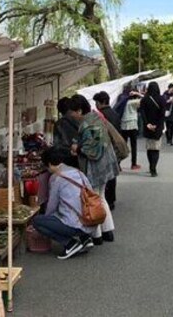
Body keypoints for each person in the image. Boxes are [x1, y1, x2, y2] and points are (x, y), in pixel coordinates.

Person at [69, 95, 117, 243]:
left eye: (72, 111)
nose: (71, 114)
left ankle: (96, 235)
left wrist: (77, 149)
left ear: (79, 110)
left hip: (96, 167)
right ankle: (107, 231)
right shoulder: (96, 117)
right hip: (106, 163)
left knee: (92, 200)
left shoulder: (86, 124)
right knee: (101, 197)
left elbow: (91, 149)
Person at [31, 148, 95, 260]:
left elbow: (51, 207)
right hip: (91, 220)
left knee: (38, 221)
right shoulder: (79, 173)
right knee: (70, 210)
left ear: (50, 164)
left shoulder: (57, 179)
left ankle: (70, 243)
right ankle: (85, 238)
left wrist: (47, 221)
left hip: (76, 225)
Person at [93, 91, 127, 211]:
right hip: (115, 149)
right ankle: (111, 199)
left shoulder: (100, 116)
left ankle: (106, 200)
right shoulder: (114, 113)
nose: (95, 105)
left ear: (101, 102)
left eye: (96, 102)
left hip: (107, 149)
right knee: (113, 175)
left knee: (106, 176)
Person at [138, 82, 166, 176]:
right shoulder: (161, 99)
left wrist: (147, 124)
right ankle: (153, 168)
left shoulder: (145, 99)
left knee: (149, 148)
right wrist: (157, 125)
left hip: (148, 126)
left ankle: (151, 166)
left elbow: (142, 112)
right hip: (158, 127)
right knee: (156, 148)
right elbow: (162, 114)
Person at [54, 96, 80, 167]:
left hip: (67, 161)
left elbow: (57, 146)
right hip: (81, 158)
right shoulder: (79, 120)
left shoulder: (59, 124)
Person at [120, 88, 142, 170]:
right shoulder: (133, 102)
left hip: (123, 125)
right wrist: (138, 93)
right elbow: (145, 99)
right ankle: (133, 164)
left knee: (122, 145)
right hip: (132, 124)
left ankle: (118, 164)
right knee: (133, 145)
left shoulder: (123, 102)